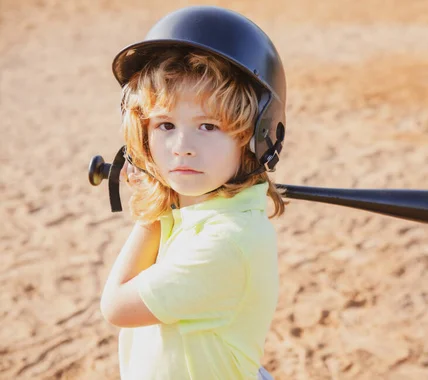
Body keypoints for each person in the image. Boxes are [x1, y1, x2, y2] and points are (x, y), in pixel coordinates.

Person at [99, 6, 287, 380]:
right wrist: (164, 201)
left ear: (257, 136)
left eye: (208, 126)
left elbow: (116, 306)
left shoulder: (225, 243)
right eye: (165, 124)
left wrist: (150, 211)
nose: (182, 147)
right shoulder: (206, 210)